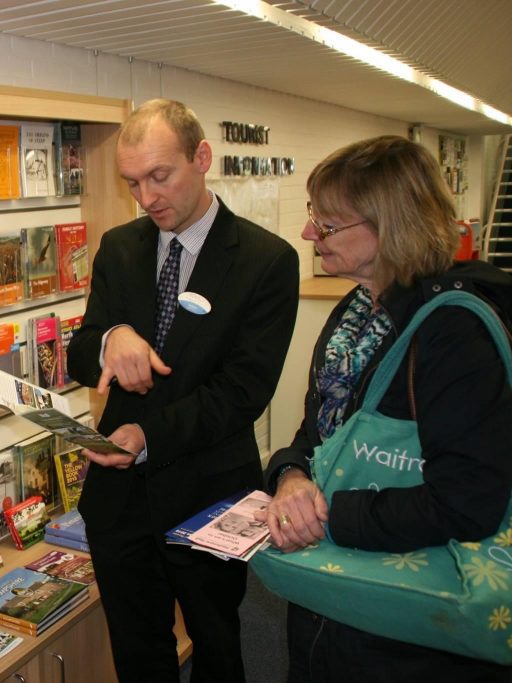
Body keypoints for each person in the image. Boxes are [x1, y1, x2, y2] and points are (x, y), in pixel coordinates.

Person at [256, 135, 512, 681]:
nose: (308, 234)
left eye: (327, 224)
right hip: (329, 599)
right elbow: (318, 434)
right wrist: (291, 476)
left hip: (411, 631)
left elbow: (469, 502)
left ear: (391, 224)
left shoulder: (454, 332)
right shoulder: (355, 314)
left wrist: (326, 516)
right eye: (313, 217)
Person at [65, 98, 299, 682]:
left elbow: (242, 393)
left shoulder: (267, 261)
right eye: (132, 183)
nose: (146, 198)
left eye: (159, 177)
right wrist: (111, 337)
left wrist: (147, 433)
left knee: (218, 648)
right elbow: (78, 352)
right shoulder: (121, 247)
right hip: (120, 505)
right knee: (139, 652)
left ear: (201, 157)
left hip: (208, 496)